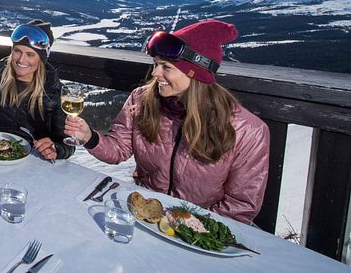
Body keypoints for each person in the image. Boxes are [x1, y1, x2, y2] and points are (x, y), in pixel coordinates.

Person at [64, 19, 269, 224]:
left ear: (195, 73)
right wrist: (90, 138)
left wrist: (189, 226)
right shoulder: (142, 100)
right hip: (144, 214)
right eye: (155, 64)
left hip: (197, 229)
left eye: (166, 67)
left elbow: (241, 206)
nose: (155, 73)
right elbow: (119, 150)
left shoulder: (248, 130)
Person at [0, 20, 74, 161]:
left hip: (34, 159)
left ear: (42, 58)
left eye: (30, 54)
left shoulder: (54, 91)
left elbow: (67, 143)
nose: (21, 59)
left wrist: (55, 149)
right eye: (17, 51)